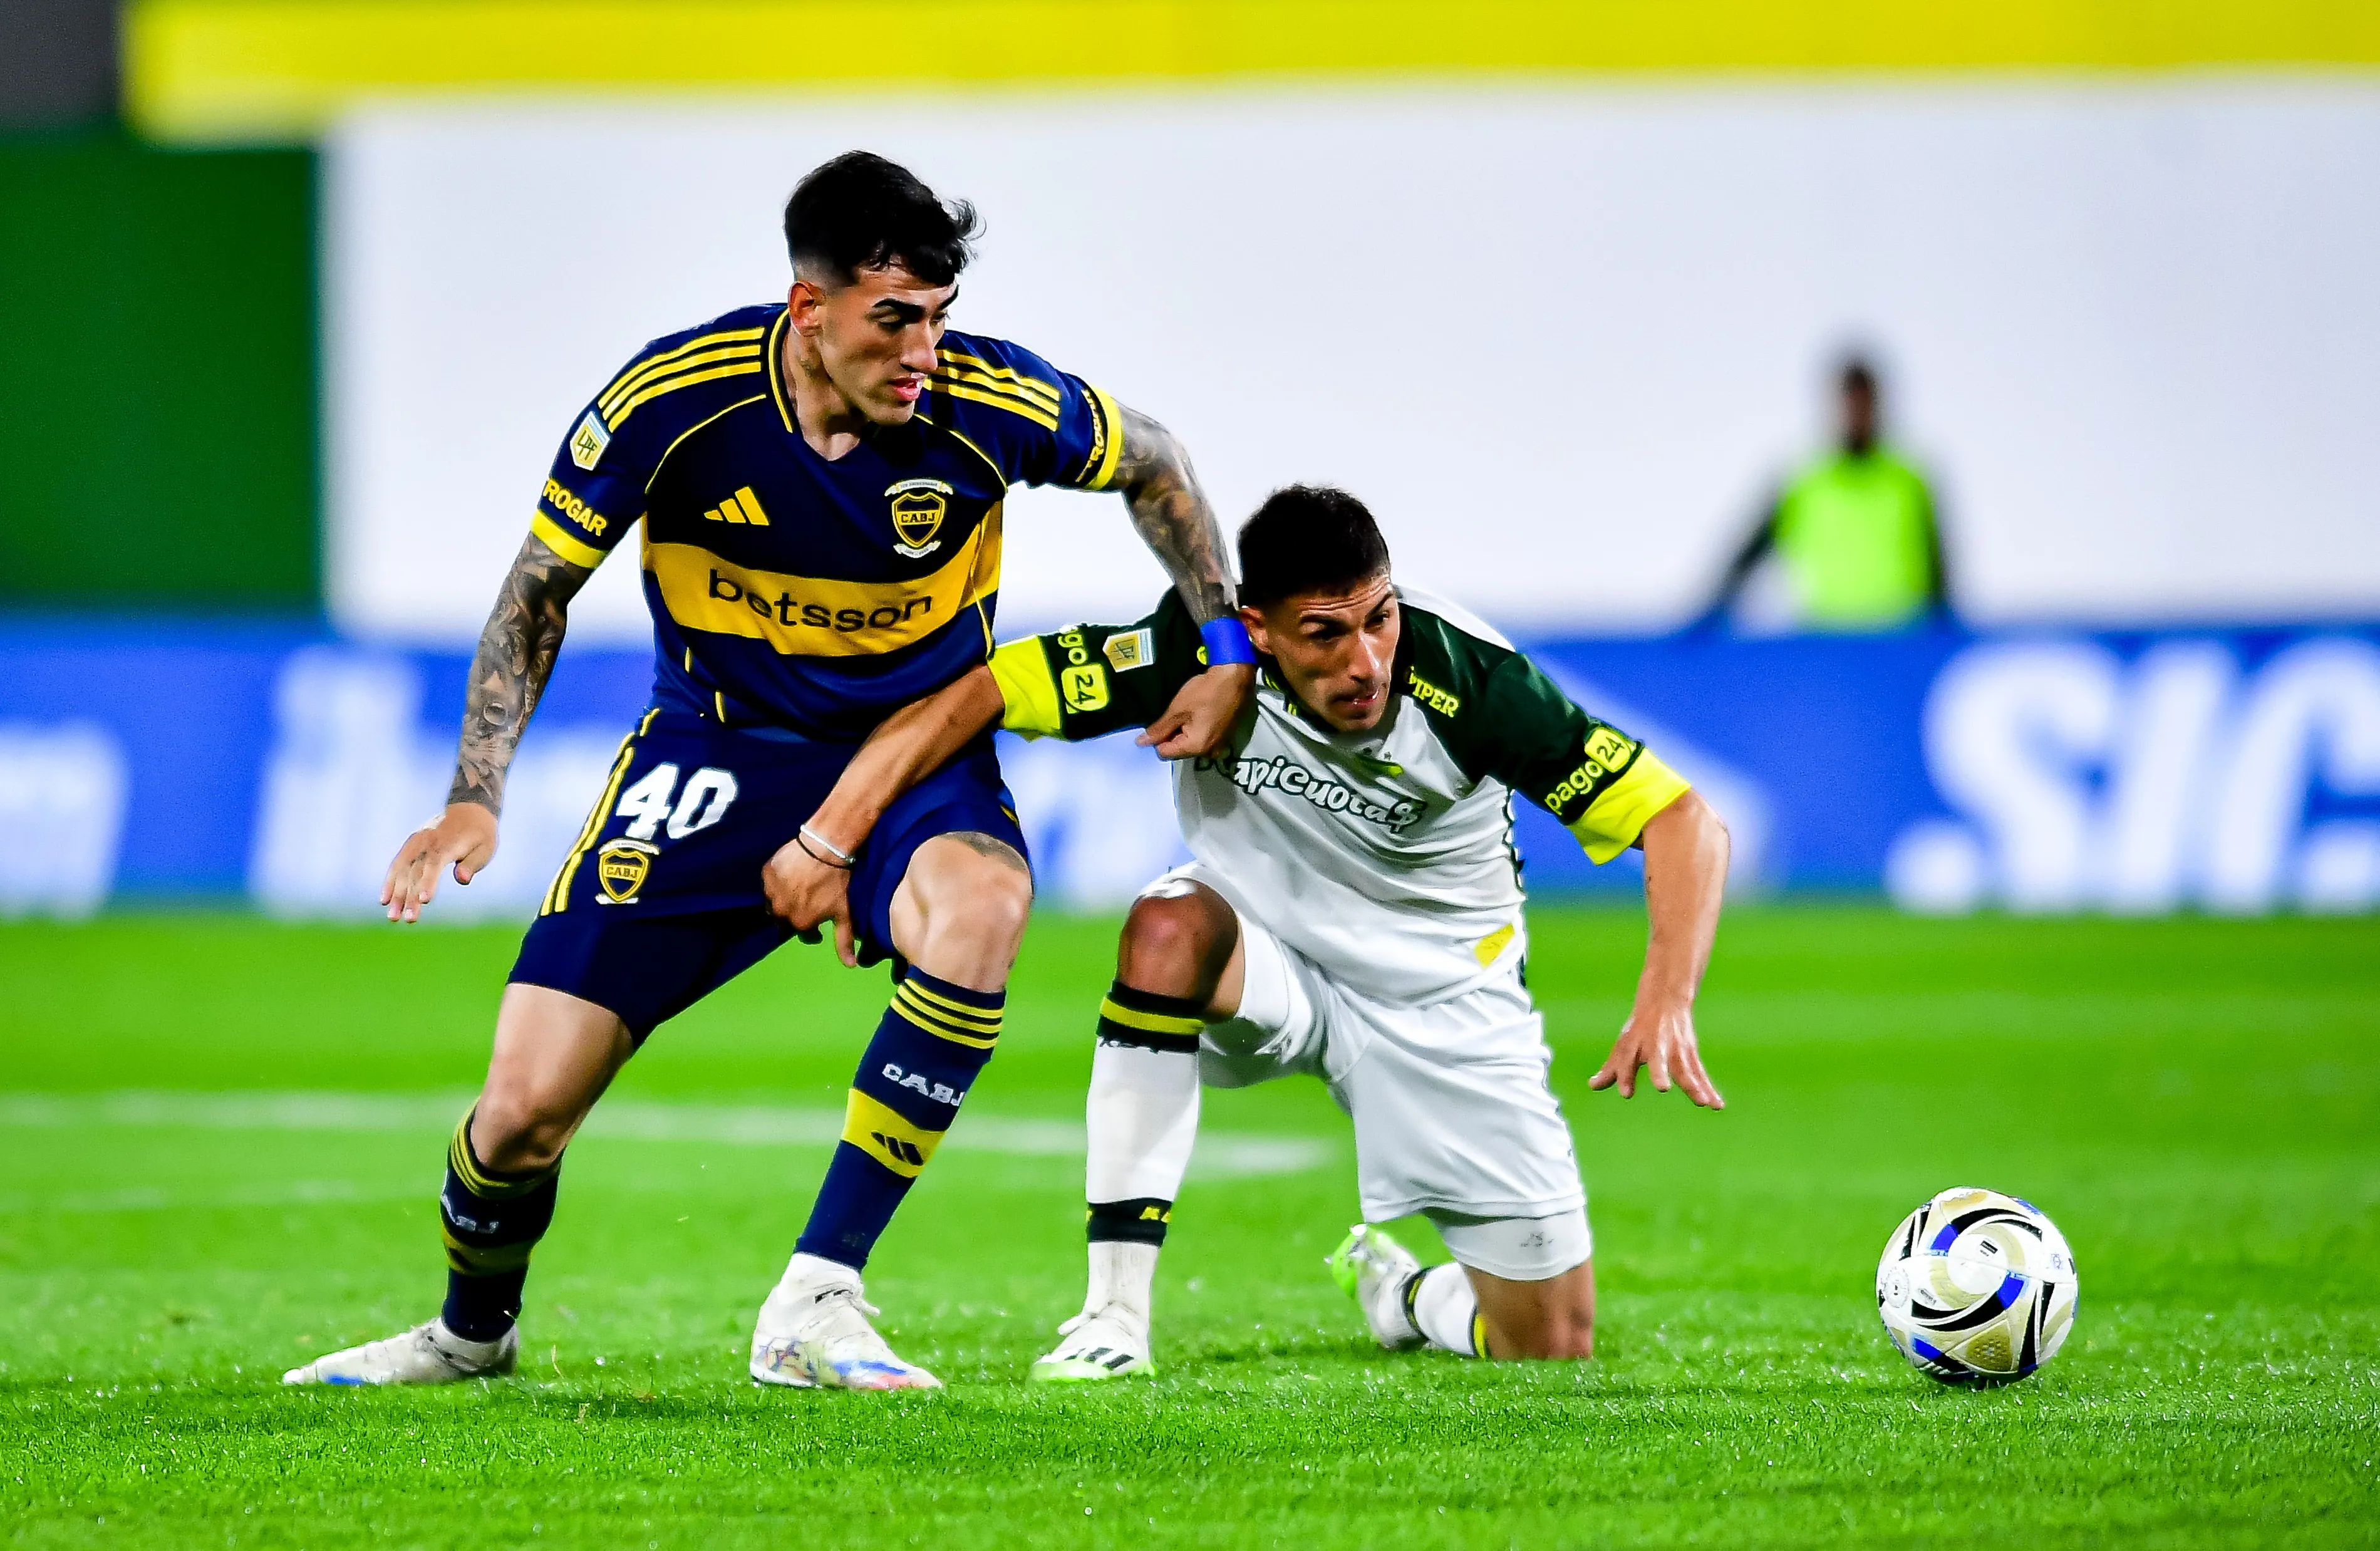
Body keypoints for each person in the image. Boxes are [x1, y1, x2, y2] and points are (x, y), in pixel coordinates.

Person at [284, 151, 1253, 1393]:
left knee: (981, 906)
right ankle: (472, 1330)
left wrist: (1223, 640)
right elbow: (539, 586)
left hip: (912, 757)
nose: (923, 349)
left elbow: (1156, 460)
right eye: (892, 318)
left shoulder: (991, 402)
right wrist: (478, 787)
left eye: (938, 317)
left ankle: (819, 1293)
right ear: (809, 308)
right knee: (522, 1109)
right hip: (711, 751)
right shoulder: (672, 401)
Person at [777, 485, 1730, 1374]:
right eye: (1325, 634)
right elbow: (986, 691)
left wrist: (1668, 999)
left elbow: (1684, 821)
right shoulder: (1198, 650)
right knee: (1164, 927)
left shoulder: (1472, 683)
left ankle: (1407, 1295)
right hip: (1264, 954)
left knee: (1549, 1344)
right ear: (1260, 631)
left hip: (1443, 1002)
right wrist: (846, 840)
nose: (1364, 661)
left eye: (1379, 618)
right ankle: (1113, 1320)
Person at [1703, 356, 1952, 631]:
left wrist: (1944, 628)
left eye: (1864, 403)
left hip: (1899, 638)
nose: (1858, 413)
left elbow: (1940, 572)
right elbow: (1749, 555)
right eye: (1851, 403)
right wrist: (1711, 612)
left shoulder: (1909, 483)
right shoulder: (1806, 486)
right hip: (1827, 638)